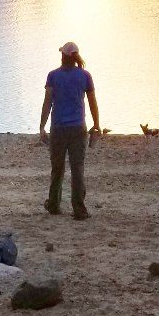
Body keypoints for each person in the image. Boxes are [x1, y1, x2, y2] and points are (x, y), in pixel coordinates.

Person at [38, 42, 100, 219]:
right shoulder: (85, 76)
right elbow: (92, 102)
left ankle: (54, 204)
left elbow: (47, 102)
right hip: (78, 128)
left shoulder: (53, 76)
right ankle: (79, 209)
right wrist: (96, 124)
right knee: (77, 168)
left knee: (57, 168)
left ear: (62, 56)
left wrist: (42, 126)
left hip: (58, 128)